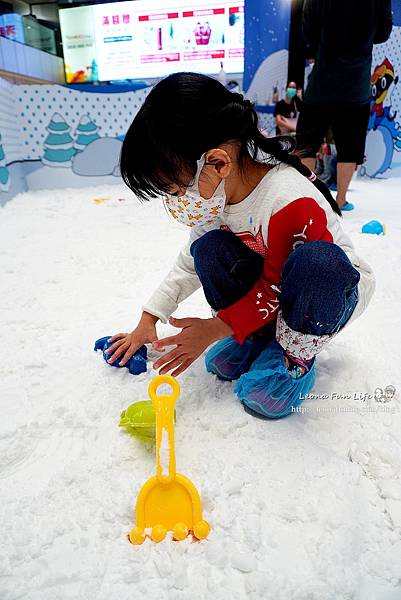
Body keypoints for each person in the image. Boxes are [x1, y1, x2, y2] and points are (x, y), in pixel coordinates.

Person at [106, 72, 375, 419]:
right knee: (208, 249)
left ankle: (293, 360)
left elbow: (277, 287)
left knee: (315, 263)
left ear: (218, 162)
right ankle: (257, 338)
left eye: (175, 190)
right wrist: (149, 318)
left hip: (326, 293)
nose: (176, 202)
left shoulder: (288, 201)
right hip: (274, 282)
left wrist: (215, 328)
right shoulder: (217, 195)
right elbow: (189, 264)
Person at [297, 0, 393, 211]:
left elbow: (307, 30)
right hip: (355, 85)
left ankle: (305, 199)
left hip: (322, 81)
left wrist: (319, 45)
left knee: (307, 143)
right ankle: (340, 200)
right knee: (349, 147)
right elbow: (382, 34)